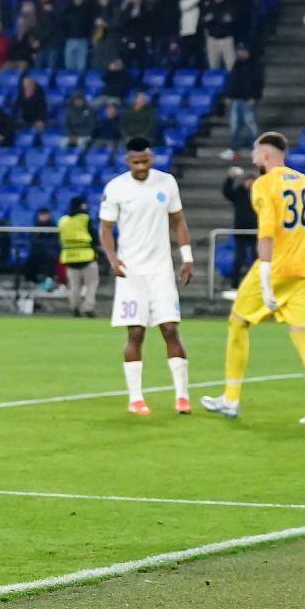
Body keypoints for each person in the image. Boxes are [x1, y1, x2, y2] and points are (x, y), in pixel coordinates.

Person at [203, 133, 305, 426]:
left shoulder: (264, 184)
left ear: (265, 155)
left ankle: (231, 399)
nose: (251, 154)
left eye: (254, 150)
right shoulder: (303, 181)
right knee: (302, 335)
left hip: (275, 268)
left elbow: (267, 232)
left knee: (237, 323)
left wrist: (265, 277)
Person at [99, 137, 193, 416]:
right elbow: (105, 229)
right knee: (136, 332)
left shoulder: (166, 183)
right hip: (131, 272)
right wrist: (112, 258)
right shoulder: (116, 188)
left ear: (151, 157)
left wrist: (186, 257)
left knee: (170, 329)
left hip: (161, 270)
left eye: (146, 161)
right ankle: (136, 398)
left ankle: (182, 396)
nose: (142, 166)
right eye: (136, 162)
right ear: (128, 161)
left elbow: (178, 221)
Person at [221, 44, 263, 161]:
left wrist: (254, 97)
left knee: (251, 124)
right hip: (237, 99)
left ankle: (255, 149)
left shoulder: (255, 65)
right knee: (234, 126)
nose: (240, 53)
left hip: (248, 99)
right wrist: (229, 96)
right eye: (239, 51)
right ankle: (233, 148)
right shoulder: (237, 65)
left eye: (243, 51)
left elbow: (258, 82)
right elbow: (233, 81)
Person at [58, 196, 98, 317]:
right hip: (86, 255)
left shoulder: (62, 220)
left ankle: (74, 306)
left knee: (74, 285)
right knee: (91, 284)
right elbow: (94, 235)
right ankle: (88, 307)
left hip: (69, 256)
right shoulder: (85, 218)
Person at [223, 166, 258, 285]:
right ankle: (235, 284)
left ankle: (256, 284)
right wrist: (230, 178)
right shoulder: (238, 193)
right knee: (238, 259)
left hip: (256, 232)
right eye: (247, 180)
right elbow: (227, 193)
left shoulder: (260, 194)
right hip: (240, 231)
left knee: (255, 259)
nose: (249, 183)